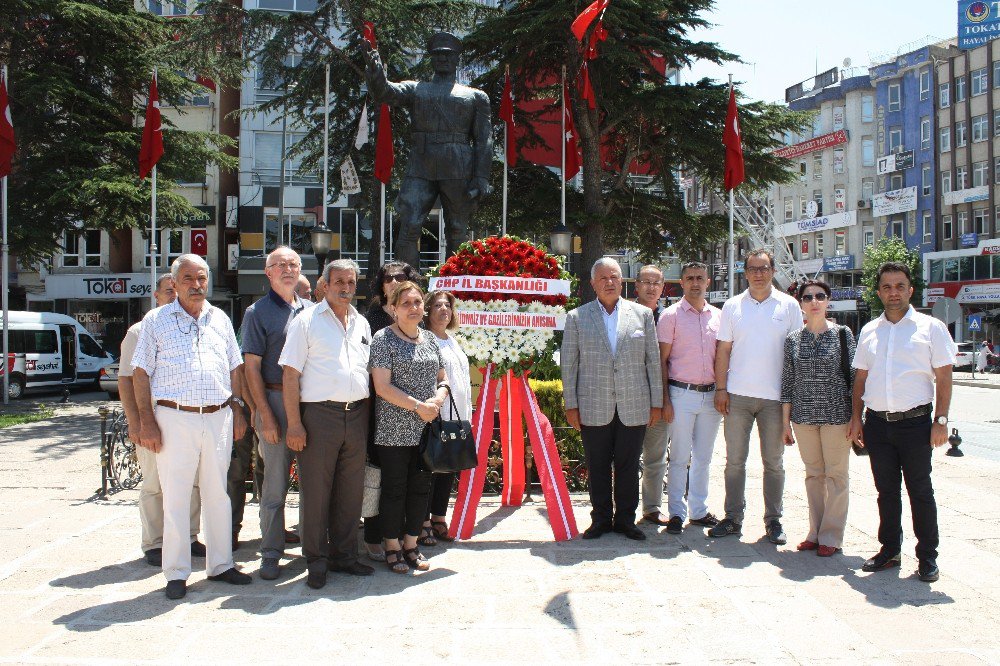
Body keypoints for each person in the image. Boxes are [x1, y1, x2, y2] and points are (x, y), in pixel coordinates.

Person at [131, 254, 252, 600]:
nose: (196, 285)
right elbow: (140, 373)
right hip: (174, 417)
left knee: (217, 492)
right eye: (188, 279)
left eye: (201, 278)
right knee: (177, 496)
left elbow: (235, 368)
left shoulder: (220, 319)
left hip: (218, 416)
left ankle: (221, 565)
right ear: (174, 283)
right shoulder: (156, 320)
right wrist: (146, 421)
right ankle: (177, 572)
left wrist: (239, 409)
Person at [848, 262, 955, 583]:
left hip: (917, 425)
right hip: (877, 426)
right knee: (886, 491)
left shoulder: (930, 328)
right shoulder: (869, 331)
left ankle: (927, 558)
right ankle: (889, 550)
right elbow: (860, 380)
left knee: (920, 491)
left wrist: (941, 420)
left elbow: (945, 378)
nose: (893, 293)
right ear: (879, 292)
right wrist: (856, 418)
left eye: (899, 286)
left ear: (910, 290)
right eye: (886, 287)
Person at [279, 259, 374, 590]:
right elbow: (290, 375)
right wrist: (294, 424)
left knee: (350, 491)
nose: (345, 288)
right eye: (338, 282)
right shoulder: (306, 322)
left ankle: (345, 555)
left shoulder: (361, 323)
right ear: (324, 285)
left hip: (357, 414)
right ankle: (316, 559)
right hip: (319, 416)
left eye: (350, 282)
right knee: (317, 492)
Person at [364, 32, 492, 267]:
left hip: (458, 165)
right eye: (438, 54)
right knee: (410, 224)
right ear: (431, 58)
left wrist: (481, 176)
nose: (443, 58)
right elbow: (385, 92)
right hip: (421, 164)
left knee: (457, 228)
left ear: (456, 59)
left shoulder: (476, 96)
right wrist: (375, 74)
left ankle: (456, 286)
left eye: (448, 54)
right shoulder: (416, 89)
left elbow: (484, 140)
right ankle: (407, 285)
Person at [561, 258, 662, 541]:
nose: (609, 282)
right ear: (593, 283)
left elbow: (652, 362)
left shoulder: (642, 315)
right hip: (593, 404)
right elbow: (569, 365)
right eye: (603, 278)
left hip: (634, 403)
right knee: (598, 464)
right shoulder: (577, 318)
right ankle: (601, 519)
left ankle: (626, 520)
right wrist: (571, 405)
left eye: (614, 277)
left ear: (622, 281)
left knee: (629, 466)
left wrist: (657, 402)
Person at [710, 249, 802, 544]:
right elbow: (723, 349)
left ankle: (773, 520)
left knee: (773, 463)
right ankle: (733, 517)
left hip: (775, 400)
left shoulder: (789, 306)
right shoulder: (733, 306)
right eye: (753, 269)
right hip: (737, 397)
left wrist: (793, 399)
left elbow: (796, 354)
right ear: (745, 272)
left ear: (773, 271)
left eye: (764, 268)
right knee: (734, 461)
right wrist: (721, 389)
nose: (758, 274)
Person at [118, 274, 204, 566]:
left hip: (188, 418)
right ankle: (154, 542)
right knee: (155, 483)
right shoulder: (139, 331)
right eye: (167, 291)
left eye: (175, 291)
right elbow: (126, 381)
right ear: (156, 296)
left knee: (190, 482)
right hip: (153, 417)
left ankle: (189, 537)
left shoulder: (194, 326)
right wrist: (137, 422)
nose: (172, 296)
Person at [369, 281, 450, 572]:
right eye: (406, 303)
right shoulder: (383, 339)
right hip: (394, 429)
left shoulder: (429, 338)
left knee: (421, 488)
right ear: (393, 308)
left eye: (417, 302)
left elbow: (443, 377)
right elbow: (381, 386)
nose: (414, 308)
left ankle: (411, 544)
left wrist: (438, 399)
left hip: (426, 428)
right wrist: (419, 407)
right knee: (394, 490)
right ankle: (392, 546)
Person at [240, 247, 308, 581]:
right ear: (268, 272)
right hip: (274, 402)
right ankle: (270, 553)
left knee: (313, 485)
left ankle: (312, 547)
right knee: (274, 488)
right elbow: (250, 367)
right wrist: (263, 413)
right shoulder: (257, 312)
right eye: (279, 265)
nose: (287, 269)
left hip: (309, 406)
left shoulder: (311, 311)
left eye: (293, 264)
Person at [780, 280, 855, 557]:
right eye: (808, 297)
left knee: (836, 476)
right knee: (814, 476)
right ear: (801, 303)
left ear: (828, 301)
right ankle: (815, 532)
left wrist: (856, 418)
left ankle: (831, 536)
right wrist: (785, 423)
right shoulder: (793, 339)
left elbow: (854, 379)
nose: (814, 301)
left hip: (837, 416)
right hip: (803, 417)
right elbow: (787, 382)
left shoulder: (842, 334)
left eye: (820, 296)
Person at [362, 260, 423, 561]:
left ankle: (405, 535)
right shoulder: (372, 319)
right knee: (379, 476)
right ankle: (375, 535)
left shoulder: (415, 317)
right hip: (379, 411)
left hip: (416, 417)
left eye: (402, 277)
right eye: (389, 278)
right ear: (381, 284)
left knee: (409, 480)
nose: (395, 281)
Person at [656, 261, 723, 534]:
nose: (695, 283)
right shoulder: (670, 316)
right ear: (681, 283)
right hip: (681, 393)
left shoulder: (718, 317)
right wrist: (666, 400)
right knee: (680, 457)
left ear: (708, 281)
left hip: (710, 397)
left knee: (704, 458)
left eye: (700, 278)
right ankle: (675, 512)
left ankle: (698, 510)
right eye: (689, 278)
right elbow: (661, 361)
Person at [419, 290, 472, 545]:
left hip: (457, 416)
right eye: (438, 305)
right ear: (427, 310)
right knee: (430, 468)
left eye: (447, 306)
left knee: (447, 467)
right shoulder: (425, 339)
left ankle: (439, 517)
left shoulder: (452, 339)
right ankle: (423, 521)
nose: (444, 310)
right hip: (435, 416)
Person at [633, 265, 671, 526]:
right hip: (629, 398)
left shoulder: (670, 318)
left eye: (656, 282)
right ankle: (621, 508)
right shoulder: (625, 314)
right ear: (636, 285)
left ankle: (652, 508)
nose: (651, 287)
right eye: (645, 282)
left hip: (660, 399)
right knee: (623, 457)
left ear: (663, 286)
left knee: (656, 457)